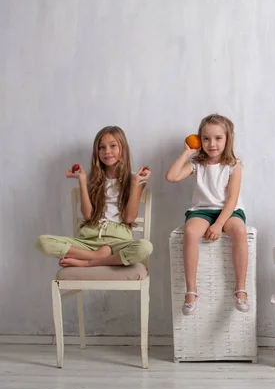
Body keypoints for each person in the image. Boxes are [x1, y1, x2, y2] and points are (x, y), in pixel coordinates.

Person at [165, 114, 249, 315]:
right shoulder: (197, 164)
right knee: (191, 232)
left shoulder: (234, 165)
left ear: (228, 139)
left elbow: (232, 199)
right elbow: (171, 176)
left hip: (229, 210)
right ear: (200, 139)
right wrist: (187, 152)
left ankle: (241, 289)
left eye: (218, 138)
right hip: (202, 210)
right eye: (206, 138)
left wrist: (219, 225)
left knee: (239, 230)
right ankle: (191, 291)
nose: (212, 144)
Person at [36, 126, 153, 267]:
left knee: (145, 247)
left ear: (123, 148)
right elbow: (88, 216)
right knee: (42, 242)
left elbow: (129, 218)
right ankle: (96, 256)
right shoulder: (94, 180)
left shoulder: (135, 180)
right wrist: (82, 180)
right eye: (101, 147)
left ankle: (89, 263)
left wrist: (135, 183)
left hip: (119, 241)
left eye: (113, 146)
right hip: (89, 240)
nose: (107, 151)